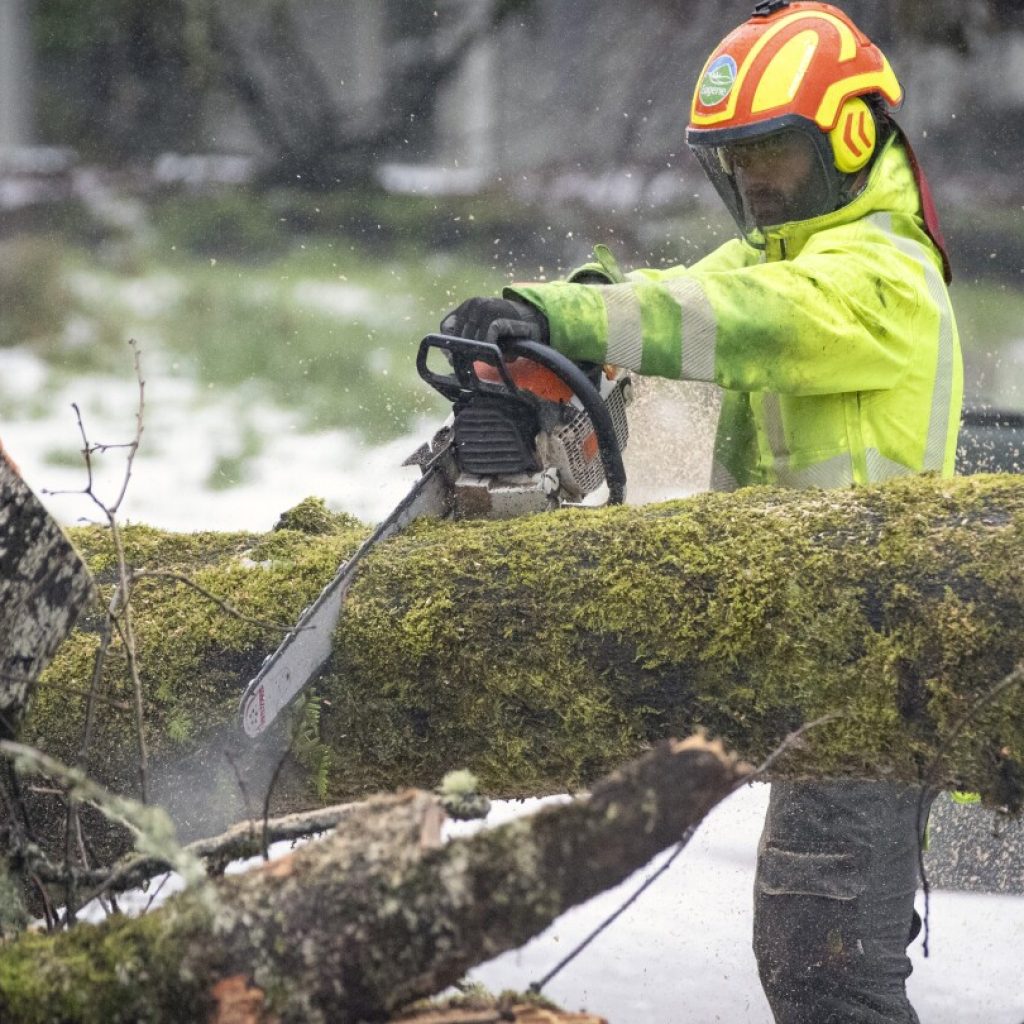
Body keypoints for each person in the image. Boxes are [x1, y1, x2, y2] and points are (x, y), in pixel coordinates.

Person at [440, 2, 961, 1021]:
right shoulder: (781, 255)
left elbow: (735, 325)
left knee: (829, 975)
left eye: (771, 150)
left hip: (871, 666)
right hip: (797, 643)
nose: (754, 179)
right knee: (817, 965)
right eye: (736, 159)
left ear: (848, 137)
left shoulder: (881, 277)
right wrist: (560, 311)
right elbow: (672, 294)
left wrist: (566, 317)